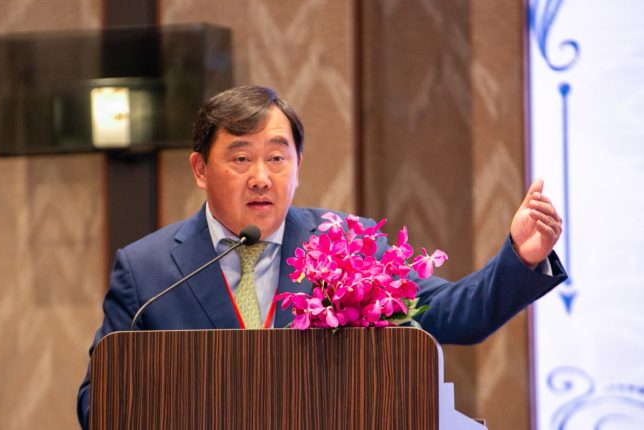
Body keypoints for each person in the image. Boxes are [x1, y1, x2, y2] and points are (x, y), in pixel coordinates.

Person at [76, 85, 567, 428]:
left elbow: (456, 314)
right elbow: (97, 404)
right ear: (201, 169)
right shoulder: (147, 271)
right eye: (241, 158)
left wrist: (520, 258)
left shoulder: (346, 243)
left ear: (298, 166)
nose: (261, 177)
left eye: (277, 157)